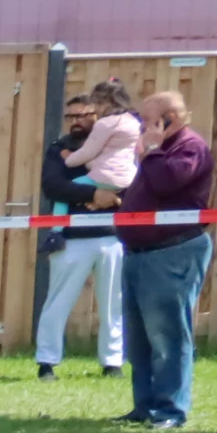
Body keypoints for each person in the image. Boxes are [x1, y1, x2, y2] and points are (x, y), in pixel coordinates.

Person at [117, 88, 217, 429]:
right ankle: (144, 406)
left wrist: (154, 150)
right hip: (140, 254)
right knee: (141, 337)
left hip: (172, 252)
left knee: (168, 335)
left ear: (168, 120)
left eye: (147, 120)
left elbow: (165, 182)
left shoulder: (190, 147)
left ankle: (171, 410)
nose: (142, 127)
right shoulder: (157, 153)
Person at [34, 93, 125, 380]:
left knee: (113, 302)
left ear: (97, 117)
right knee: (58, 300)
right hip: (70, 236)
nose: (76, 122)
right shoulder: (59, 148)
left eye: (84, 115)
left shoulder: (115, 146)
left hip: (112, 235)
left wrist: (111, 198)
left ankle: (112, 363)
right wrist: (94, 194)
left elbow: (128, 180)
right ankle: (47, 362)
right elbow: (53, 186)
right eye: (71, 116)